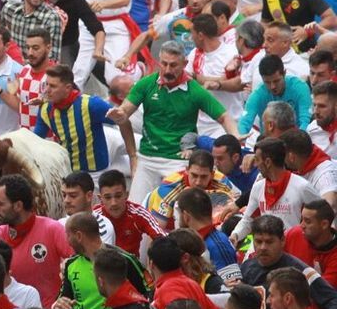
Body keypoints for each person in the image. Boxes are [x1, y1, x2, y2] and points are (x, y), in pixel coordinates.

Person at [107, 41, 239, 204]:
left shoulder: (195, 91)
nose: (167, 70)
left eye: (173, 65)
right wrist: (120, 117)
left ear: (184, 64)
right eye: (164, 64)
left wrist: (236, 138)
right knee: (136, 209)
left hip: (178, 160)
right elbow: (125, 111)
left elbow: (224, 117)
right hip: (148, 159)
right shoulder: (146, 84)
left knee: (180, 211)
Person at [0, 175, 76, 308]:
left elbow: (82, 262)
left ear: (18, 205)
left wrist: (68, 294)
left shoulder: (52, 229)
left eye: (0, 204)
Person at [35, 65, 137, 178]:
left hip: (96, 173)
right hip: (70, 172)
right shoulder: (45, 109)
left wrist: (132, 155)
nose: (46, 90)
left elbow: (123, 120)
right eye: (46, 84)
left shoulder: (91, 104)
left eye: (53, 86)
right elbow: (36, 140)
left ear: (68, 88)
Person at [231, 138, 322, 245]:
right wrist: (235, 235)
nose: (256, 165)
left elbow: (322, 216)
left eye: (257, 160)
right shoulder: (258, 188)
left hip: (294, 251)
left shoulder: (302, 186)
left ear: (268, 162)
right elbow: (247, 220)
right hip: (266, 250)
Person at [175, 186, 241, 281]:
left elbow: (233, 288)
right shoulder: (188, 241)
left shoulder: (218, 245)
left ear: (186, 216)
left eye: (179, 213)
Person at [284, 199, 337, 285]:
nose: (302, 225)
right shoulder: (294, 233)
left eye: (307, 221)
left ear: (324, 224)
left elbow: (323, 291)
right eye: (302, 219)